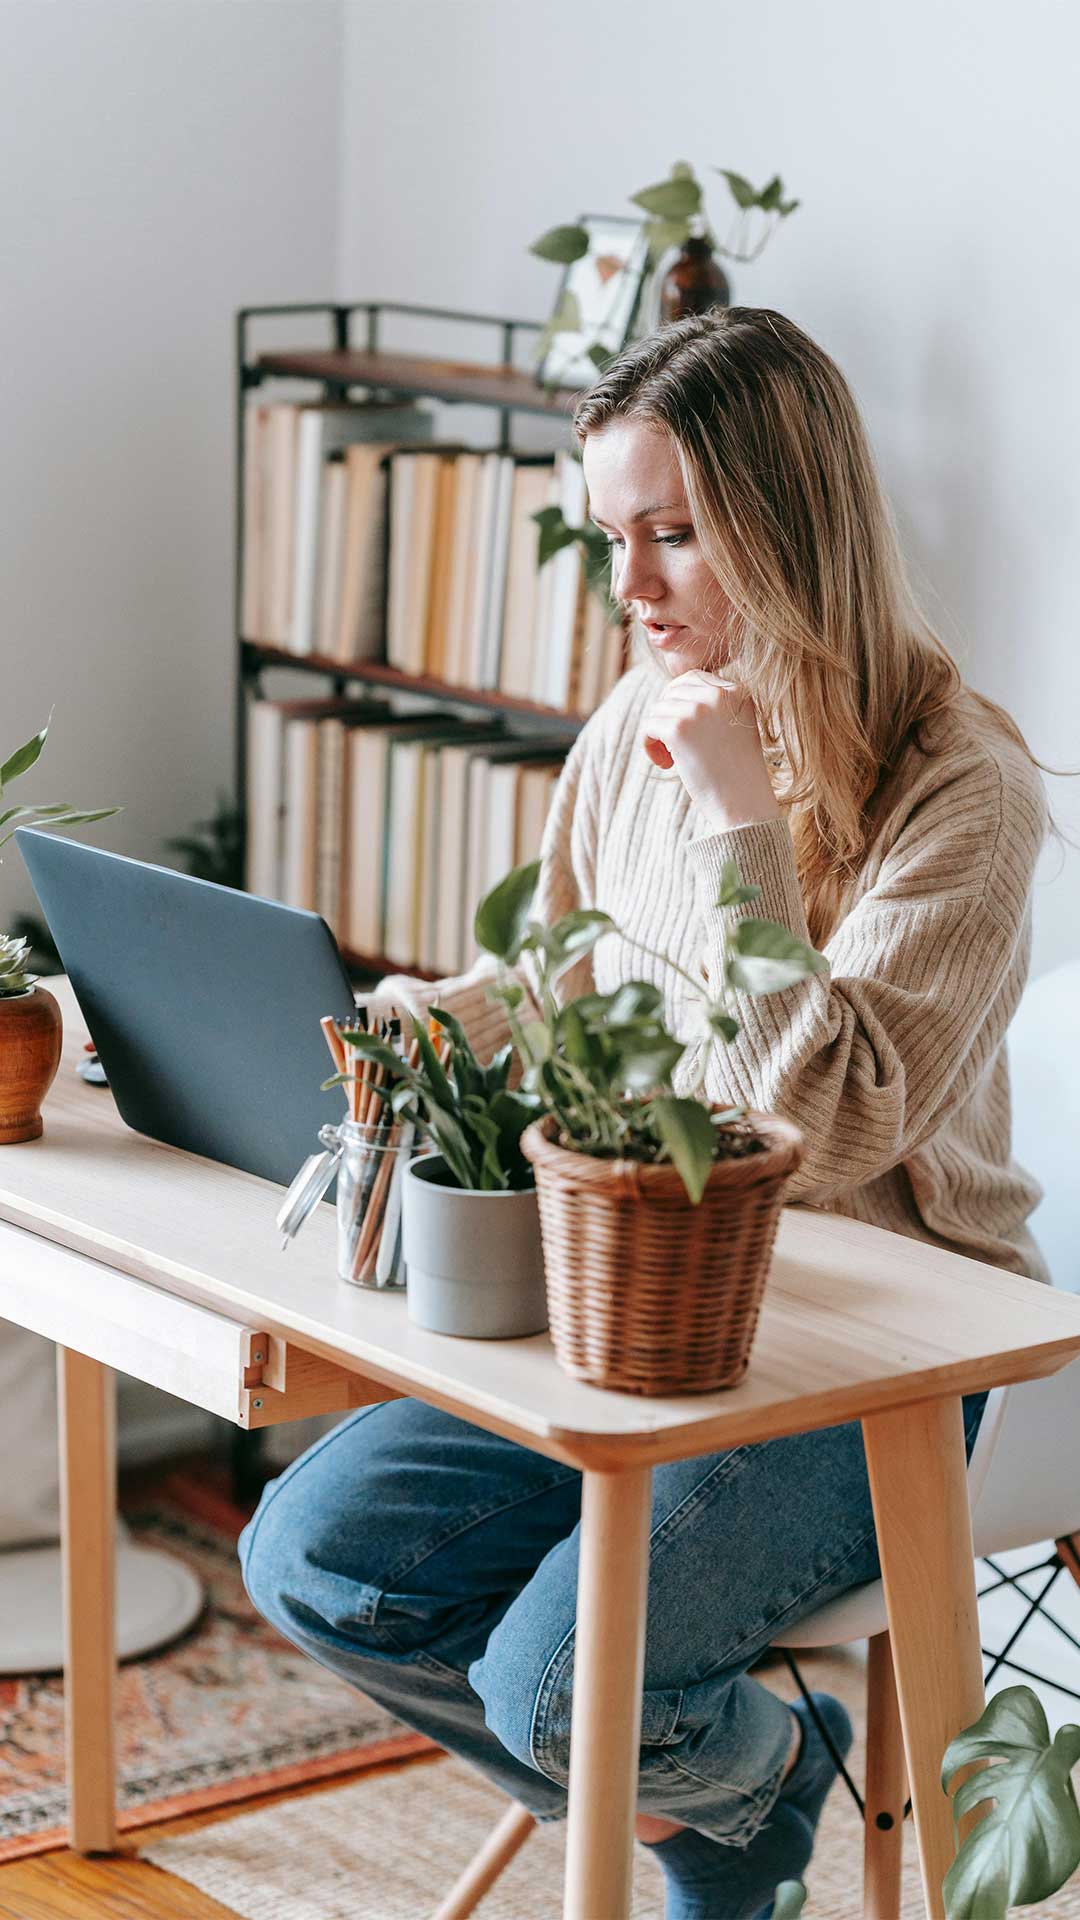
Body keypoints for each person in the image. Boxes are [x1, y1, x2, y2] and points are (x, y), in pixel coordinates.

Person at [241, 309, 1055, 1918]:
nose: (632, 589)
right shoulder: (637, 718)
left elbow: (808, 1135)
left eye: (673, 537)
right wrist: (395, 1028)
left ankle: (704, 1785)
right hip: (647, 1304)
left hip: (888, 1362)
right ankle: (743, 1792)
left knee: (560, 1687)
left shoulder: (965, 791)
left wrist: (743, 825)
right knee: (314, 1561)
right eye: (614, 537)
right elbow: (554, 980)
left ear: (789, 523)